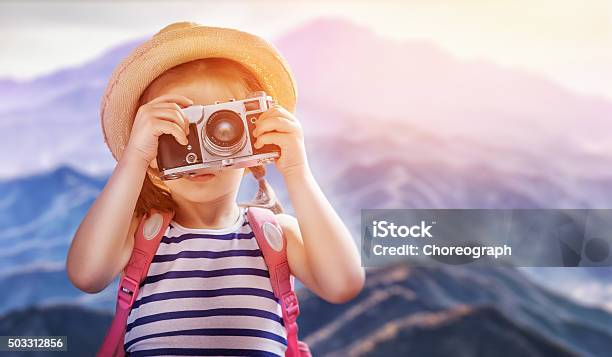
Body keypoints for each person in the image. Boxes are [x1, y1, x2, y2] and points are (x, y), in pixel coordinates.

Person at [66, 22, 364, 356]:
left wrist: (297, 171)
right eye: (178, 127)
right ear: (151, 154)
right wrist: (134, 158)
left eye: (223, 127)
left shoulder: (276, 237)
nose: (201, 146)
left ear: (253, 142)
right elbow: (86, 275)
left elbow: (344, 284)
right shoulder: (138, 239)